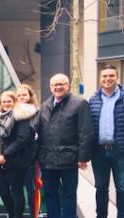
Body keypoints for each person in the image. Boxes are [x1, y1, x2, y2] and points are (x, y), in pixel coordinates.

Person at [36, 73, 94, 218]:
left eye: (61, 84)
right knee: (50, 195)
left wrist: (82, 158)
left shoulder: (79, 104)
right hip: (48, 161)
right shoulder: (44, 106)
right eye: (55, 85)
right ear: (50, 87)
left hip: (69, 159)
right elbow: (40, 134)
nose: (58, 87)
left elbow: (85, 132)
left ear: (68, 85)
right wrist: (37, 157)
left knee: (69, 195)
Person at [0, 91, 36, 218]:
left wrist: (5, 155)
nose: (6, 104)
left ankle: (17, 216)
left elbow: (22, 139)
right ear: (0, 103)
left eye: (9, 101)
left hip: (16, 161)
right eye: (4, 101)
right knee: (3, 191)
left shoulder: (21, 118)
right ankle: (11, 214)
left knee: (16, 192)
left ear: (14, 102)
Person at [89, 64, 124, 218]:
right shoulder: (93, 99)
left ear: (117, 77)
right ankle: (100, 215)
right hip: (99, 151)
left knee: (122, 187)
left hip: (120, 151)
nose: (107, 79)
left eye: (111, 76)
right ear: (100, 78)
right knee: (101, 188)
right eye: (104, 76)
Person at [14, 84, 41, 218]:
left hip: (32, 159)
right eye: (19, 95)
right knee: (16, 191)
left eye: (24, 95)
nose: (21, 97)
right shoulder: (11, 113)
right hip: (14, 160)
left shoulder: (37, 113)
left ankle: (34, 215)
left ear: (30, 96)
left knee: (32, 190)